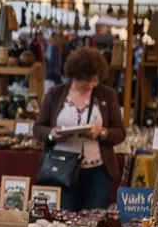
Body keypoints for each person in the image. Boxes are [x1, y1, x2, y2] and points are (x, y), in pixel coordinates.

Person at [33, 46, 125, 211]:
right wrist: (52, 134)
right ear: (74, 75)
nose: (91, 85)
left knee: (95, 220)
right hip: (61, 168)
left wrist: (102, 132)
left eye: (95, 79)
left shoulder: (107, 95)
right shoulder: (56, 94)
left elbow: (120, 132)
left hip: (98, 171)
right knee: (63, 218)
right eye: (85, 80)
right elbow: (38, 128)